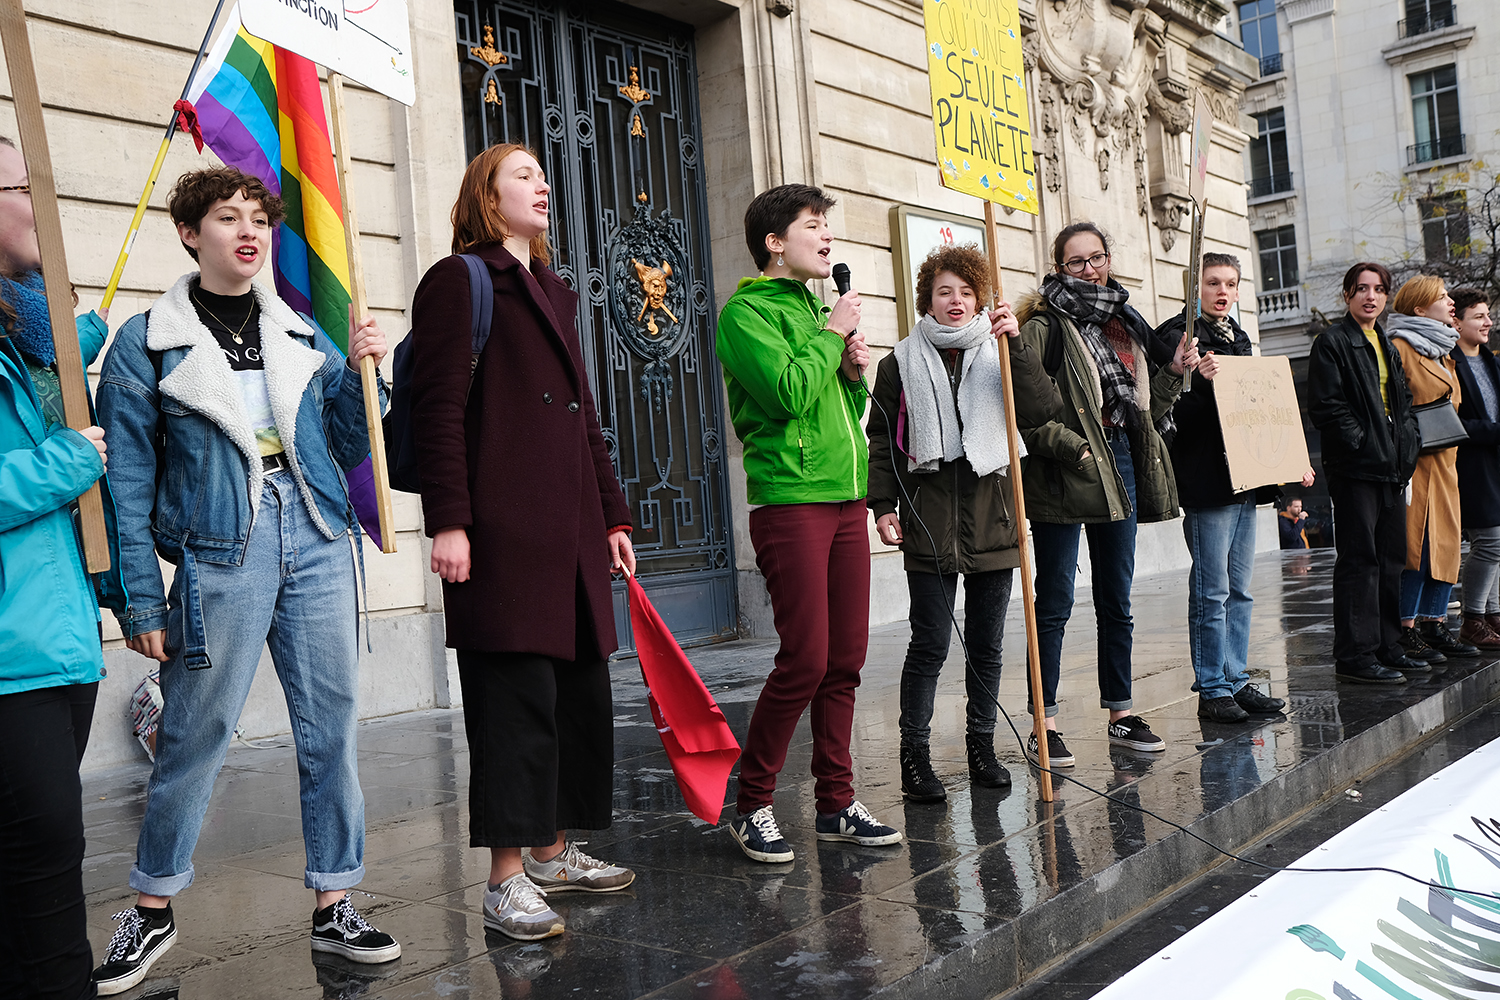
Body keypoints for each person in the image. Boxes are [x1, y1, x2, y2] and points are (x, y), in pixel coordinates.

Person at [93, 166, 400, 994]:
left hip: (317, 532)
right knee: (195, 732)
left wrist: (368, 373)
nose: (249, 231)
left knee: (330, 726)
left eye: (258, 218)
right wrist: (138, 598)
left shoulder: (300, 331)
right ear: (192, 234)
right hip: (219, 547)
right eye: (228, 217)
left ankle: (336, 900)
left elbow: (347, 437)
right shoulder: (145, 340)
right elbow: (124, 481)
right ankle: (152, 909)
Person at [408, 143, 637, 941]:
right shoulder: (458, 280)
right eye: (523, 176)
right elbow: (437, 410)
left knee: (576, 695)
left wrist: (612, 517)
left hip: (569, 529)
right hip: (500, 529)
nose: (541, 185)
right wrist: (449, 520)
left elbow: (585, 415)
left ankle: (550, 850)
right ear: (486, 195)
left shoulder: (556, 290)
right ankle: (505, 879)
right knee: (513, 705)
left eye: (544, 176)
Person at [717, 183, 902, 863]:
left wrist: (851, 370)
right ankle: (752, 802)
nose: (826, 237)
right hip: (790, 500)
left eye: (828, 227)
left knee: (846, 659)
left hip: (843, 497)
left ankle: (836, 803)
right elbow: (789, 393)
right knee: (805, 658)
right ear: (775, 242)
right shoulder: (745, 315)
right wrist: (830, 337)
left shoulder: (814, 309)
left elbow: (832, 402)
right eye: (812, 225)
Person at [0, 135, 122, 1000]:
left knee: (35, 879)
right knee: (44, 881)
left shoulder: (31, 340)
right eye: (22, 182)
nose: (42, 199)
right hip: (11, 659)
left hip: (59, 643)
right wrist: (67, 460)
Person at [1012, 221, 1199, 767]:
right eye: (1076, 262)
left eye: (1096, 258)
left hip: (1117, 461)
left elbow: (1147, 412)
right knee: (1055, 601)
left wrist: (1172, 372)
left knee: (1117, 599)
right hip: (1066, 469)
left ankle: (1120, 713)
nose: (1089, 269)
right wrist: (1073, 449)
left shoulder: (1126, 323)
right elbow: (1027, 409)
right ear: (1057, 268)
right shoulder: (1045, 326)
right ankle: (1043, 722)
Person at [865, 243, 1047, 802]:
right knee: (930, 644)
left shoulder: (999, 349)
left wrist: (1015, 345)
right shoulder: (900, 361)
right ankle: (915, 760)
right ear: (928, 298)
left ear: (980, 298)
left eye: (966, 291)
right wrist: (883, 506)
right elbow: (881, 441)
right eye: (945, 291)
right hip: (928, 516)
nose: (956, 301)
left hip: (993, 515)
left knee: (988, 645)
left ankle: (981, 747)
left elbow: (1042, 409)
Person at [1158, 252, 1304, 722]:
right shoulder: (1176, 337)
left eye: (1231, 284)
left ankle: (1236, 679)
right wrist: (1196, 382)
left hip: (1244, 481)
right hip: (1206, 480)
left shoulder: (1238, 340)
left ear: (1239, 290)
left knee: (1240, 590)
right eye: (1212, 283)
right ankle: (1213, 686)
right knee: (1211, 591)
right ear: (1194, 288)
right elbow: (1170, 414)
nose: (1222, 291)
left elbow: (1259, 413)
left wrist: (1290, 460)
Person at [1306, 262, 1421, 684]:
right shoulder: (1332, 342)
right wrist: (1363, 443)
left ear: (1386, 296)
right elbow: (1327, 407)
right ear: (1347, 295)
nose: (1370, 297)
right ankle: (1356, 656)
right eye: (1361, 289)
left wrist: (1407, 445)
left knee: (1392, 558)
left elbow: (1404, 406)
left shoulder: (1386, 344)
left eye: (1378, 289)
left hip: (1391, 467)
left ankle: (1389, 646)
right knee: (1360, 560)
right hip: (1356, 469)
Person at [1386, 275, 1477, 664]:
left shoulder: (1442, 346)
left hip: (1447, 462)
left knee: (1446, 546)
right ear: (1420, 308)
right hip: (1418, 462)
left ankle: (1434, 622)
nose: (1450, 302)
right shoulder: (1402, 346)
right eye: (1442, 297)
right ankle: (1406, 628)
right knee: (1417, 548)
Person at [1449, 288, 1500, 650]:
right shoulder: (1450, 362)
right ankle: (1473, 619)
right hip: (1472, 464)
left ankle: (1493, 614)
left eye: (1488, 315)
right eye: (1479, 316)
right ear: (1457, 321)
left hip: (1496, 458)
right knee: (1489, 541)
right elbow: (1454, 422)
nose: (1488, 322)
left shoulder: (1489, 360)